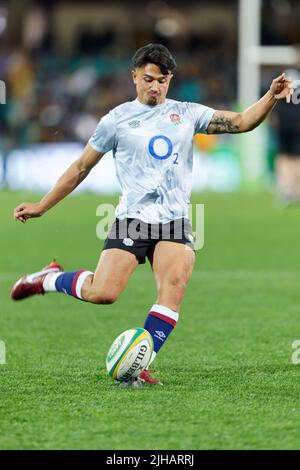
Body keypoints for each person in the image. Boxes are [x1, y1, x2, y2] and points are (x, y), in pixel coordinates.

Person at [11, 44, 293, 386]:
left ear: (170, 79)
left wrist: (271, 96)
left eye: (162, 80)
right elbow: (82, 167)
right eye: (148, 79)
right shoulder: (115, 120)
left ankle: (139, 364)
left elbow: (241, 122)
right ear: (134, 77)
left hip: (174, 221)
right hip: (133, 219)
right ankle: (48, 279)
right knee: (104, 292)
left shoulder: (187, 113)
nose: (155, 87)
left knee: (173, 288)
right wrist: (42, 205)